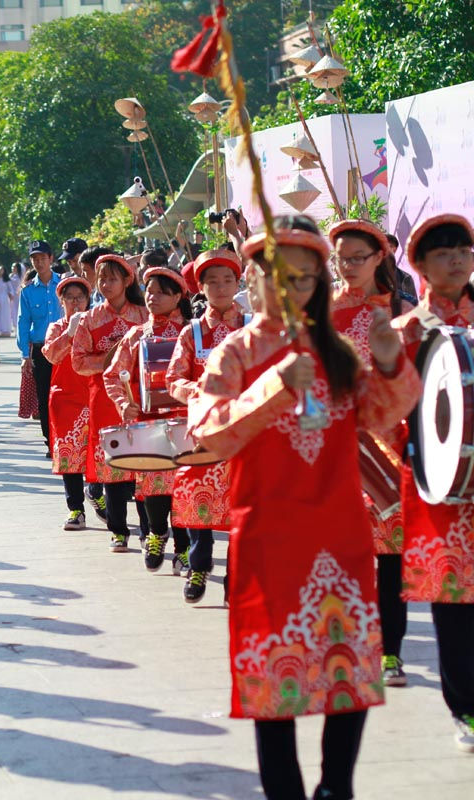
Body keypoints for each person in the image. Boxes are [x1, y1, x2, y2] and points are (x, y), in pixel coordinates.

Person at [191, 215, 419, 799]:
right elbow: (210, 432)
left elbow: (380, 415)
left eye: (305, 279)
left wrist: (393, 363)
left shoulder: (336, 349)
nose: (293, 290)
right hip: (268, 533)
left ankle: (336, 786)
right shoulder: (235, 353)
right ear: (253, 279)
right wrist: (274, 387)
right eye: (279, 278)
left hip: (339, 531)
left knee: (349, 668)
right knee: (274, 679)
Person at [392, 213, 474, 752]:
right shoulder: (405, 333)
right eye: (443, 252)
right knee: (455, 602)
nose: (457, 259)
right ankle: (466, 708)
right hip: (441, 486)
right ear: (419, 266)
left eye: (464, 249)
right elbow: (381, 410)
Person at [328, 219, 414, 687]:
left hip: (388, 446)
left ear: (379, 257)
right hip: (336, 447)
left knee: (391, 556)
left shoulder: (401, 309)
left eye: (357, 257)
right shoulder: (320, 310)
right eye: (340, 258)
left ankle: (391, 652)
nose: (347, 267)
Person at [165, 250, 247, 603]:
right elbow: (173, 379)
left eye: (227, 280)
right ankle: (198, 565)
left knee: (242, 509)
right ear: (201, 288)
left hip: (245, 432)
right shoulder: (192, 333)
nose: (220, 287)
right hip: (202, 432)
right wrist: (198, 389)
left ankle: (236, 577)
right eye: (212, 281)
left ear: (238, 284)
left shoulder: (252, 328)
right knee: (198, 503)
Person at [104, 265, 191, 566]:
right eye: (149, 290)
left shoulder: (190, 334)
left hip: (185, 420)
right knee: (154, 481)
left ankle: (183, 548)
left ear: (178, 296)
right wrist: (123, 404)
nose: (152, 297)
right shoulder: (136, 335)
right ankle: (155, 533)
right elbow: (112, 375)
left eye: (161, 292)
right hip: (149, 420)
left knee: (182, 484)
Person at [70, 254, 147, 552]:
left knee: (143, 462)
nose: (106, 284)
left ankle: (149, 527)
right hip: (103, 398)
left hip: (139, 398)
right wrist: (109, 358)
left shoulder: (143, 316)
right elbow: (78, 362)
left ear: (127, 280)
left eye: (112, 278)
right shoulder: (89, 319)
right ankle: (118, 529)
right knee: (111, 465)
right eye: (101, 278)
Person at [42, 275, 92, 531]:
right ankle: (76, 509)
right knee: (70, 455)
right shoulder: (56, 327)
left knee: (97, 453)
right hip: (65, 397)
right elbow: (51, 354)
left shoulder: (96, 323)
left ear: (87, 300)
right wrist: (70, 333)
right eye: (69, 298)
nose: (75, 302)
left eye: (80, 297)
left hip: (94, 396)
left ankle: (98, 492)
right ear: (61, 301)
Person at [17, 240, 62, 451]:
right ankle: (50, 440)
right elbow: (23, 322)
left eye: (43, 258)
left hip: (64, 348)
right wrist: (25, 355)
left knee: (63, 395)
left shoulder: (63, 285)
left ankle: (65, 436)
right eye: (35, 259)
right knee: (44, 395)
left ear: (51, 259)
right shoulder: (27, 291)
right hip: (41, 349)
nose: (39, 262)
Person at [0, 264, 18, 339]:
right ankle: (0, 330)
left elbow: (11, 289)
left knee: (5, 314)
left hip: (4, 298)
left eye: (1, 270)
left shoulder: (7, 280)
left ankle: (6, 331)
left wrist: (11, 294)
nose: (0, 271)